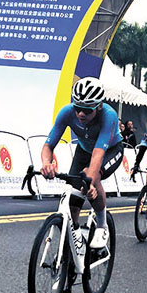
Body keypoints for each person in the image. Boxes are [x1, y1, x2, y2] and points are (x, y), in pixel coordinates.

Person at [40, 77, 124, 250]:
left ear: (99, 106)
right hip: (84, 150)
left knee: (91, 177)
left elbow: (98, 154)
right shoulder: (67, 112)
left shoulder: (109, 116)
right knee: (73, 200)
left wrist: (91, 181)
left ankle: (102, 225)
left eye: (87, 110)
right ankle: (75, 241)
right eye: (77, 108)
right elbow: (48, 145)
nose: (81, 114)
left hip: (110, 150)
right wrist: (46, 163)